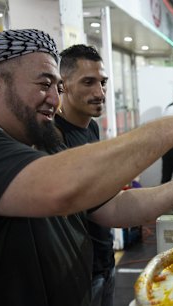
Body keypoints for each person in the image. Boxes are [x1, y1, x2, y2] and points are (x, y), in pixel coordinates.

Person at [0, 29, 173, 306]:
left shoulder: (37, 140)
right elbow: (58, 190)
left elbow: (113, 207)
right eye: (43, 84)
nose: (54, 99)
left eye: (58, 88)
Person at [55, 44, 116, 306]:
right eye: (88, 82)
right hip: (79, 269)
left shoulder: (91, 128)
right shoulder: (55, 137)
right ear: (64, 85)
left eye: (102, 82)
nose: (99, 92)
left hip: (104, 257)